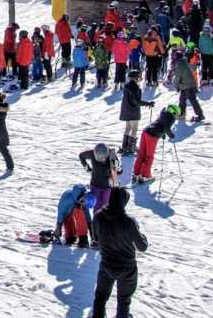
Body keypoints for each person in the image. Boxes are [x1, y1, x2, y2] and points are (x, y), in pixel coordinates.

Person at [90, 187, 147, 318]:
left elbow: (96, 239)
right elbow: (142, 246)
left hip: (106, 265)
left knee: (100, 297)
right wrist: (141, 234)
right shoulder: (129, 221)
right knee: (124, 300)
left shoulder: (98, 216)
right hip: (127, 269)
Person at [133, 105, 178, 183]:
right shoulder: (171, 118)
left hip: (146, 131)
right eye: (176, 114)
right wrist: (171, 135)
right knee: (149, 156)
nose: (176, 116)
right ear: (174, 112)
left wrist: (162, 133)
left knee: (142, 154)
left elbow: (161, 123)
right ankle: (145, 176)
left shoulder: (163, 113)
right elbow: (167, 127)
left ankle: (136, 173)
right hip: (152, 136)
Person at [119, 71, 153, 155]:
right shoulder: (135, 88)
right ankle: (131, 147)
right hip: (133, 111)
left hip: (126, 110)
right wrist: (148, 104)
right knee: (134, 128)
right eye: (139, 77)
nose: (140, 79)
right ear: (135, 78)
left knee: (128, 128)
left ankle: (125, 145)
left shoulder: (126, 86)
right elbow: (137, 101)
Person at [79, 142, 117, 214]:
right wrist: (87, 168)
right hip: (95, 185)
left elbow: (119, 171)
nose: (101, 160)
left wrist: (117, 167)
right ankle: (96, 223)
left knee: (105, 207)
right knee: (96, 207)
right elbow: (81, 156)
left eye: (103, 158)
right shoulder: (92, 153)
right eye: (98, 158)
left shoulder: (111, 155)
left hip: (107, 186)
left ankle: (104, 223)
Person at [173, 51, 206, 122]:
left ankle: (200, 115)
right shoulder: (185, 62)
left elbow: (178, 76)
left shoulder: (180, 64)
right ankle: (182, 114)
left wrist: (176, 86)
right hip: (187, 84)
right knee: (182, 99)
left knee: (192, 100)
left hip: (187, 85)